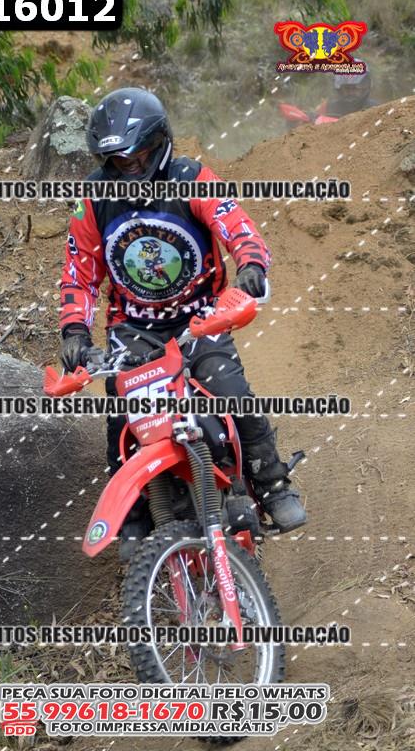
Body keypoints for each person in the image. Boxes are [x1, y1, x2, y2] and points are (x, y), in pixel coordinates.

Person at [59, 87, 307, 556]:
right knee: (122, 419)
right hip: (133, 329)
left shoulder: (191, 177)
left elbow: (239, 227)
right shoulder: (94, 197)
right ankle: (133, 516)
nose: (130, 169)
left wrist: (251, 266)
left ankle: (272, 484)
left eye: (138, 158)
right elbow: (79, 272)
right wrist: (74, 330)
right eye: (118, 162)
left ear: (160, 143)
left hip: (201, 319)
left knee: (229, 390)